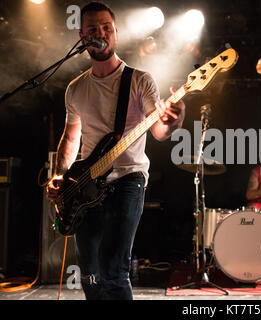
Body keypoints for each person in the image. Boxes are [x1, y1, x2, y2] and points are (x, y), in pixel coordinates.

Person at [46, 2, 185, 300]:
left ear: (116, 33)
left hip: (127, 180)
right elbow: (71, 139)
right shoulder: (76, 88)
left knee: (113, 268)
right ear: (82, 37)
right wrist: (60, 177)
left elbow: (159, 131)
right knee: (90, 275)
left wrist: (174, 119)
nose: (101, 33)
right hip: (85, 185)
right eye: (93, 29)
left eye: (106, 28)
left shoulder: (139, 80)